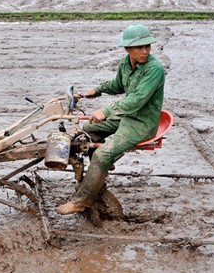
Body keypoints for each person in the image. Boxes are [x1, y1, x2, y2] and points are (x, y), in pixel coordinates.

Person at [56, 24, 165, 215]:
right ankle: (102, 169)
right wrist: (95, 91)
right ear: (127, 49)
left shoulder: (154, 69)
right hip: (126, 115)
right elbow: (118, 85)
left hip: (142, 122)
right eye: (140, 47)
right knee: (88, 129)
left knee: (100, 155)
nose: (145, 51)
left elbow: (137, 99)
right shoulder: (126, 63)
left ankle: (82, 201)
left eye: (148, 46)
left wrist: (106, 110)